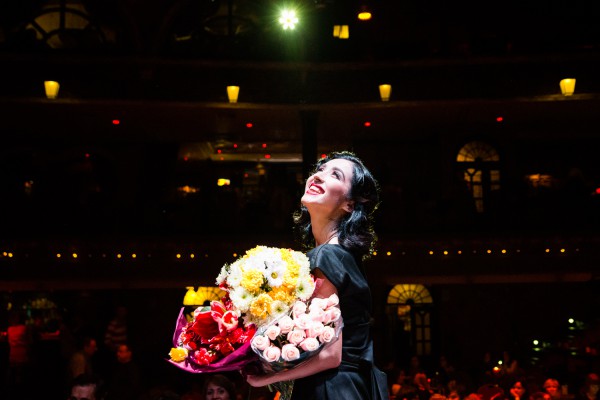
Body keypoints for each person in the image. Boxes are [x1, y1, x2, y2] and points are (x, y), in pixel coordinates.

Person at [246, 151, 385, 399]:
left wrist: (269, 378)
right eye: (319, 170)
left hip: (331, 388)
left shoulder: (328, 255)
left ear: (349, 204)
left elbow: (331, 355)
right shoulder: (338, 254)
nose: (318, 176)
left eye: (335, 175)